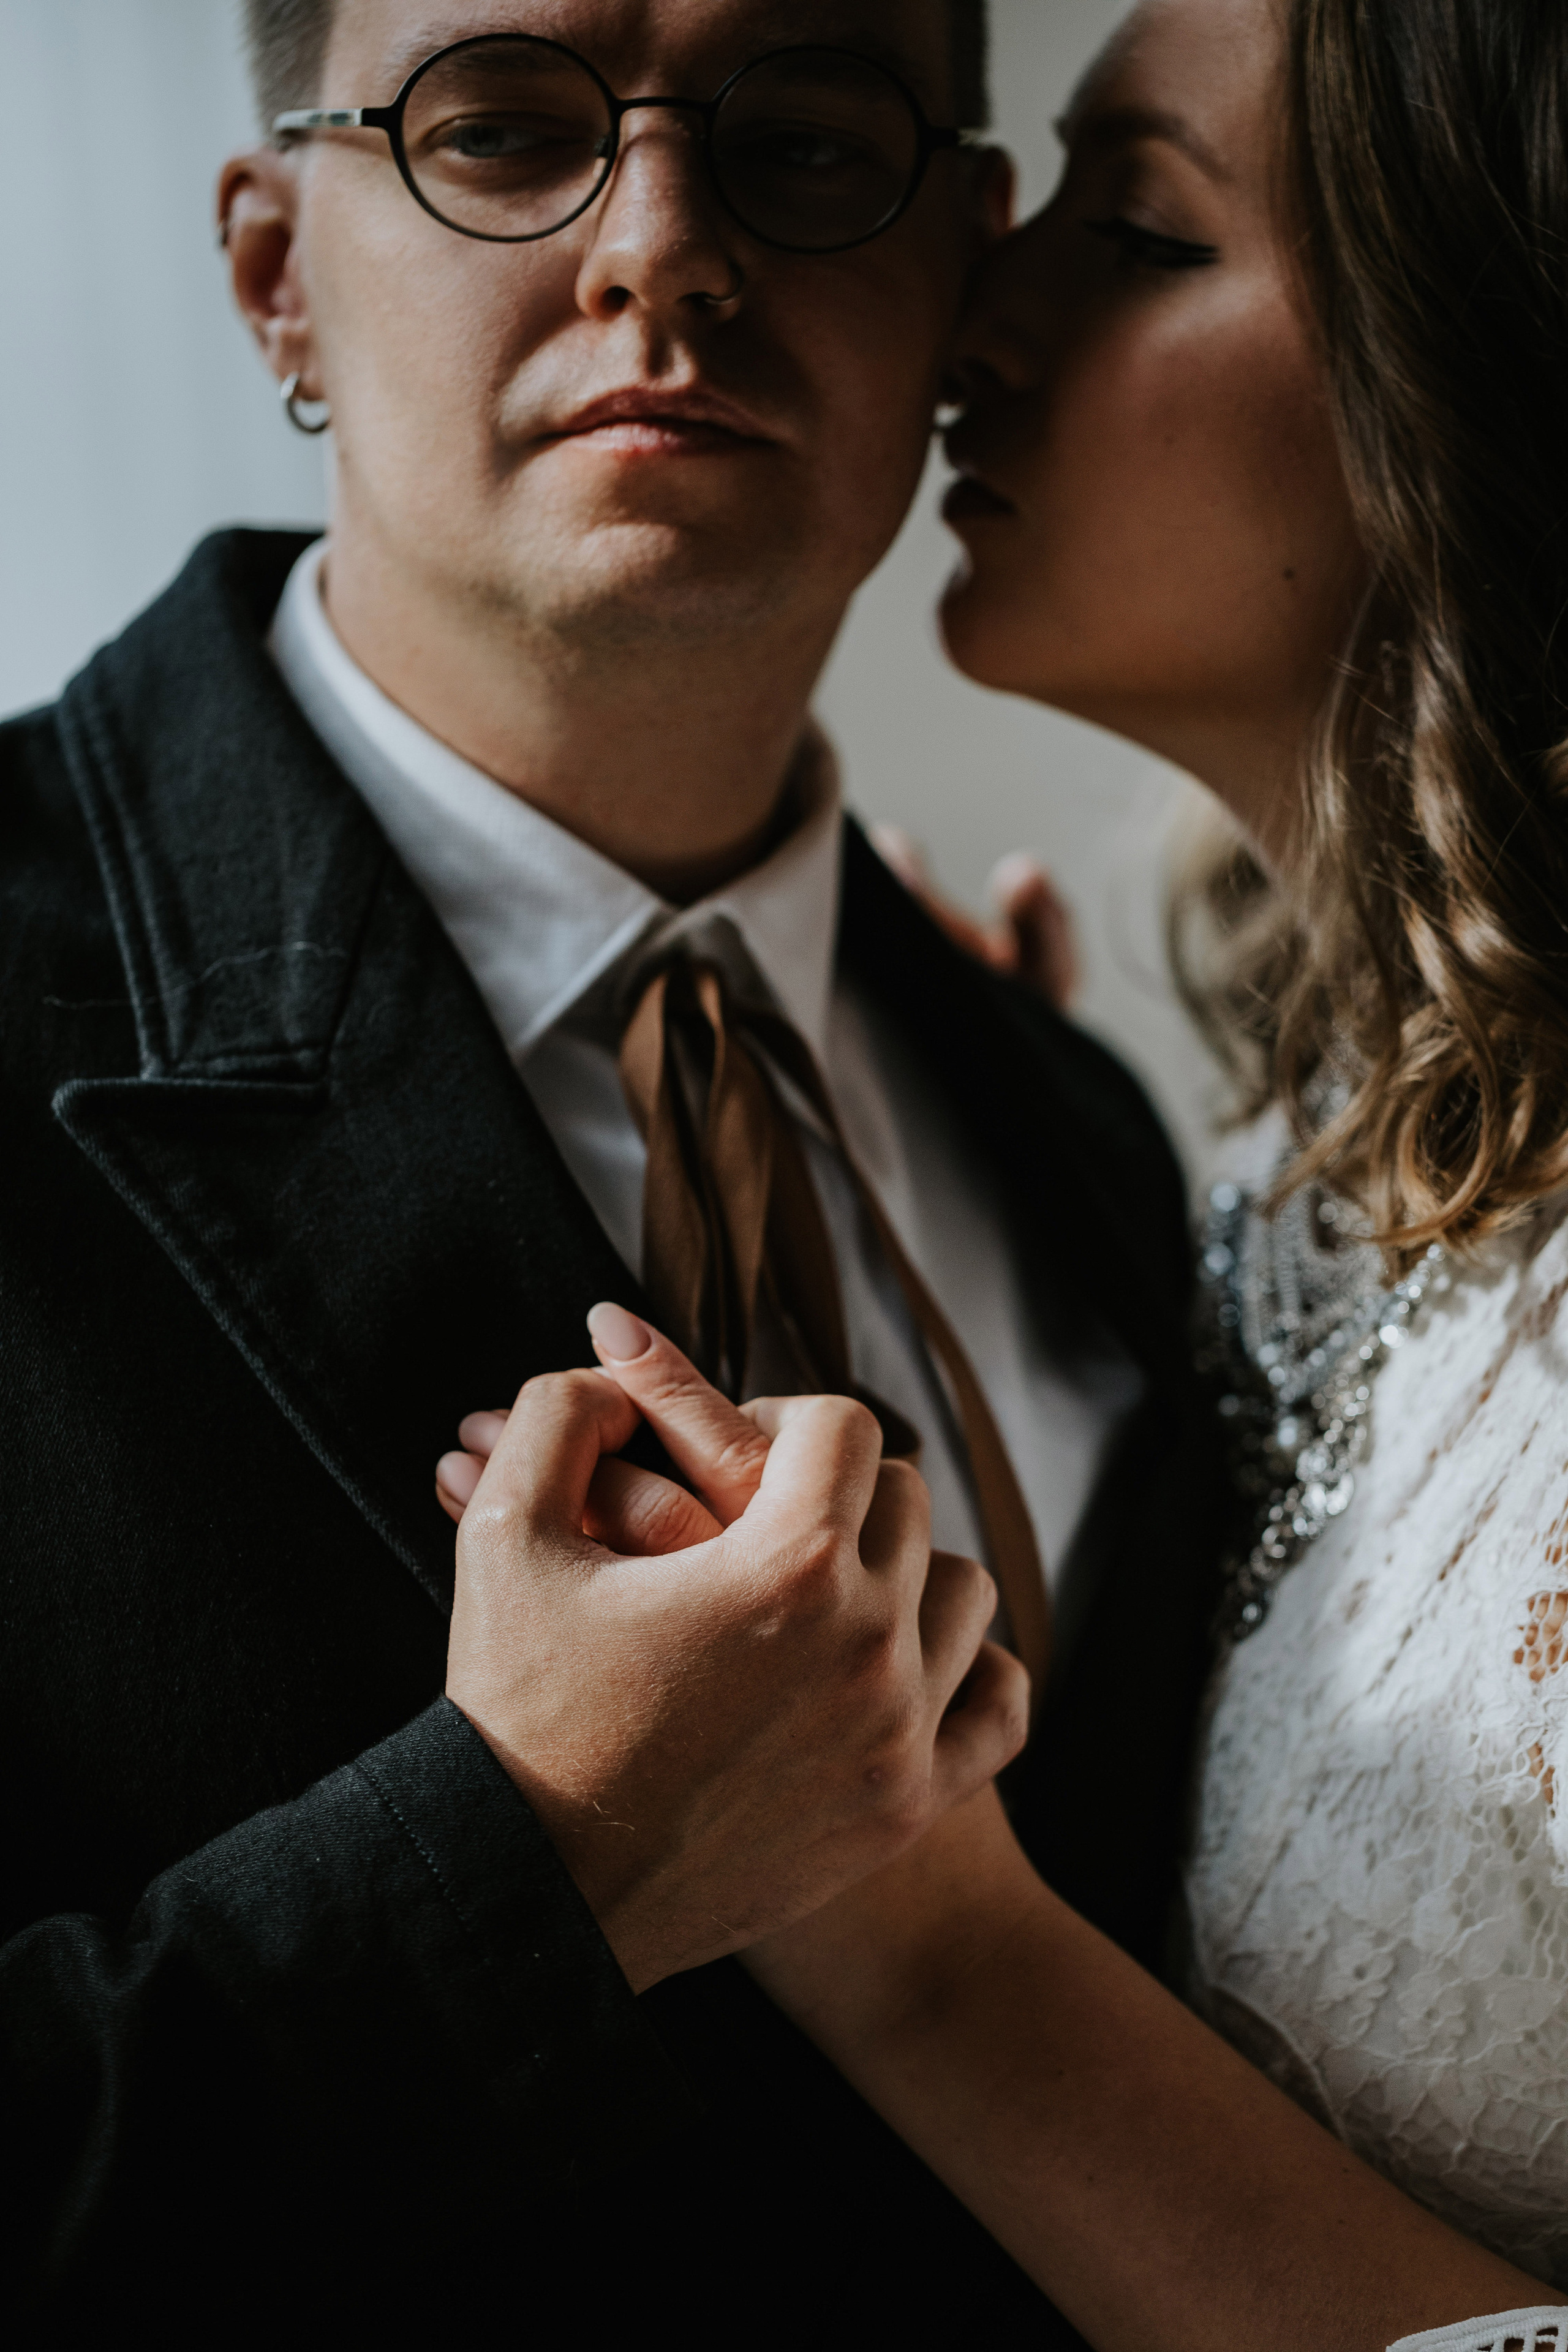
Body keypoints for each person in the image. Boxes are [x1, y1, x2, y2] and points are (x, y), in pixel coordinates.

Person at [0, 0, 1227, 2335]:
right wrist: (538, 1861)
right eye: (499, 130)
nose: (662, 247)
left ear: (969, 258)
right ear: (277, 269)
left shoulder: (1079, 1135)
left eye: (804, 137)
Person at [446, 0, 1568, 2343]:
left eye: (1142, 232)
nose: (984, 305)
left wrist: (916, 1941)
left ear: (1486, 387)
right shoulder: (1210, 1160)